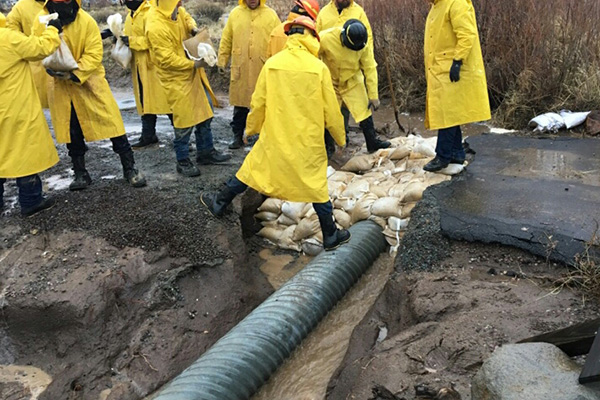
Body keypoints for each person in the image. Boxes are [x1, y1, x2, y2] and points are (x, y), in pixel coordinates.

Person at [202, 16, 351, 251]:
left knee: (251, 171)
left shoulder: (272, 64)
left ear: (290, 36)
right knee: (316, 186)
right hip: (307, 142)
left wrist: (250, 130)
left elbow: (258, 102)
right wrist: (340, 138)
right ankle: (330, 235)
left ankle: (219, 202)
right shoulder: (318, 68)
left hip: (275, 138)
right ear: (312, 37)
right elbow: (332, 111)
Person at [32, 0, 146, 190]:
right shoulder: (41, 21)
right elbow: (36, 47)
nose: (61, 4)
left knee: (112, 124)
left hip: (90, 84)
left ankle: (130, 168)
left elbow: (94, 53)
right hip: (61, 87)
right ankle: (80, 173)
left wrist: (75, 73)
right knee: (72, 130)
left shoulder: (86, 22)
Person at [146, 0, 231, 177]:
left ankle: (206, 152)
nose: (180, 3)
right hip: (175, 79)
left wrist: (193, 29)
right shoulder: (155, 26)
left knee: (205, 112)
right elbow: (166, 59)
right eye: (177, 1)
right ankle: (182, 160)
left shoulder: (175, 11)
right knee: (183, 122)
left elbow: (186, 16)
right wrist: (193, 64)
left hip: (193, 75)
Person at [0, 12, 62, 216]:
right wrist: (52, 29)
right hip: (15, 106)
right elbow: (40, 48)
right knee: (23, 151)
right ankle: (31, 200)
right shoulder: (6, 37)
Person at [422, 0, 490, 172]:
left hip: (452, 69)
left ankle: (443, 156)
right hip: (440, 69)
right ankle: (457, 154)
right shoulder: (436, 6)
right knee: (450, 113)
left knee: (446, 113)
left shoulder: (456, 3)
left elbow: (467, 34)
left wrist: (458, 61)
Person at [104, 0, 173, 149]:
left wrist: (131, 41)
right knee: (144, 101)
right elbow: (129, 35)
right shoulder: (131, 15)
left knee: (166, 102)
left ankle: (182, 136)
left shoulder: (150, 13)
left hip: (154, 66)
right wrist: (114, 33)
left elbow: (155, 39)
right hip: (140, 67)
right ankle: (148, 135)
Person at [319, 19, 390, 154]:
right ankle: (329, 148)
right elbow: (312, 55)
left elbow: (370, 68)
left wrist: (373, 96)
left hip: (352, 81)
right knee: (329, 114)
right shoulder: (326, 38)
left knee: (364, 111)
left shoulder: (364, 45)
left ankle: (372, 142)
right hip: (331, 82)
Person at [217, 0, 280, 150]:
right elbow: (226, 39)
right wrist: (222, 60)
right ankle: (237, 136)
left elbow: (279, 40)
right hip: (241, 67)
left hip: (262, 68)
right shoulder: (235, 14)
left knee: (264, 105)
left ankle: (263, 139)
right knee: (240, 105)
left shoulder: (271, 16)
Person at [6, 0, 50, 108]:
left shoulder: (66, 3)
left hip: (65, 70)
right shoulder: (21, 7)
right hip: (37, 72)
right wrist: (34, 46)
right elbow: (11, 34)